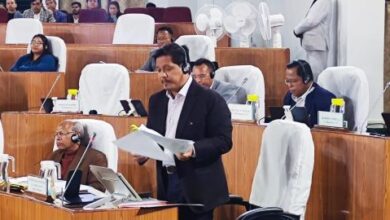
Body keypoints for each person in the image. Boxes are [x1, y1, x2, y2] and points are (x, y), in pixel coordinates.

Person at [134, 43, 233, 220]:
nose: (162, 75)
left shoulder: (210, 99)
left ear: (185, 67)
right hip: (166, 182)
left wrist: (194, 149)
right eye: (158, 70)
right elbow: (156, 136)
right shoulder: (156, 100)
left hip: (197, 185)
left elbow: (223, 140)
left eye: (168, 69)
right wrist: (145, 151)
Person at [49, 120, 107, 192]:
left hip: (78, 201)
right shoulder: (54, 155)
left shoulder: (96, 157)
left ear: (76, 135)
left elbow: (98, 188)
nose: (57, 138)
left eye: (61, 133)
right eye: (56, 134)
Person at [283, 60, 335, 127]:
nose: (289, 85)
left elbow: (326, 132)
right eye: (287, 81)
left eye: (293, 81)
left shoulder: (325, 99)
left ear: (306, 79)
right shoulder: (289, 96)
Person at [294, 0, 334, 81]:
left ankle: (317, 94)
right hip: (314, 46)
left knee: (316, 77)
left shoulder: (322, 1)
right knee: (311, 76)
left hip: (317, 46)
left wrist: (296, 30)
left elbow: (310, 21)